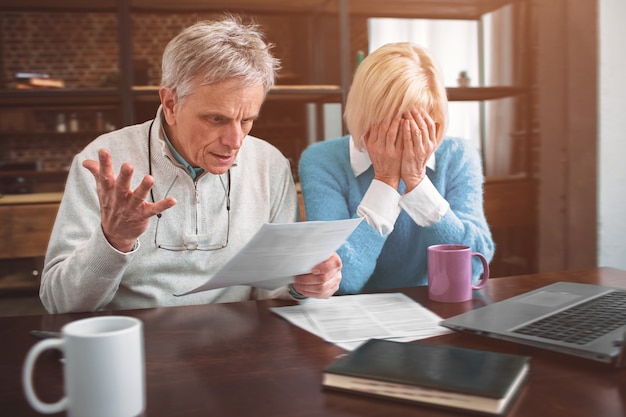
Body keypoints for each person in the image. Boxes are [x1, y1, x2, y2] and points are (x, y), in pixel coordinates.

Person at [40, 15, 342, 314]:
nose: (236, 141)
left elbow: (273, 289)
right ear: (171, 104)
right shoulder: (104, 162)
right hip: (135, 343)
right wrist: (113, 240)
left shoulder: (270, 165)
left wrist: (302, 285)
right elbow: (59, 303)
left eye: (247, 120)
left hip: (240, 344)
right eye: (216, 119)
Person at [298, 42, 494, 294]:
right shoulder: (322, 160)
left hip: (435, 308)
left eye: (416, 124)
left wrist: (417, 182)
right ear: (366, 116)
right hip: (353, 317)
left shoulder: (458, 155)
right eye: (392, 124)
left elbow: (474, 268)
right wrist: (386, 181)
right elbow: (340, 281)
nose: (405, 135)